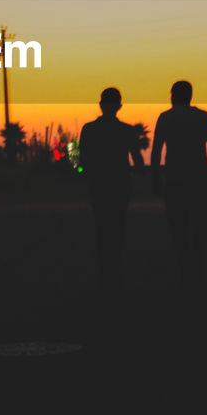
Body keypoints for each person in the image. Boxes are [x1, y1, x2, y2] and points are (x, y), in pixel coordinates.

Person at [150, 80, 207, 296]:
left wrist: (155, 177)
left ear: (173, 96)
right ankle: (195, 263)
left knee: (178, 227)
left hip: (174, 181)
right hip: (199, 180)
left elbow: (155, 151)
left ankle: (186, 267)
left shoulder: (165, 118)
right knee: (202, 226)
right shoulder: (202, 117)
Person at [78, 87, 145, 294]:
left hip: (99, 184)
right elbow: (138, 159)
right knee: (117, 226)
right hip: (120, 184)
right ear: (119, 106)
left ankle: (105, 268)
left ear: (100, 106)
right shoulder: (126, 130)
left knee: (102, 226)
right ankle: (113, 268)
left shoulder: (89, 129)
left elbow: (82, 159)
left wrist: (85, 173)